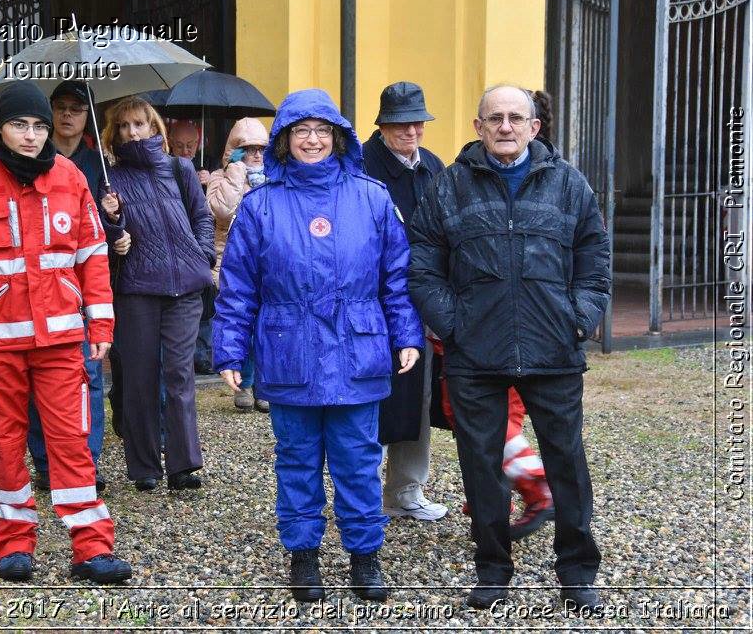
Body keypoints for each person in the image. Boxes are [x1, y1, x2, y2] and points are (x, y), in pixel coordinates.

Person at [213, 89, 424, 603]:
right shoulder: (260, 205)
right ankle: (303, 557)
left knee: (357, 459)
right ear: (285, 139)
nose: (312, 139)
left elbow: (395, 278)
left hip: (358, 346)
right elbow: (239, 284)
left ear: (338, 137)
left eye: (322, 130)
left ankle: (365, 557)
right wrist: (229, 349)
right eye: (301, 130)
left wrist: (406, 334)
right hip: (290, 350)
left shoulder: (372, 197)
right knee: (297, 460)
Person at [408, 85, 610, 610]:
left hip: (553, 350)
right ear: (478, 126)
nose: (505, 126)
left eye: (515, 118)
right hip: (476, 352)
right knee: (480, 465)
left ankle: (577, 572)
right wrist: (452, 324)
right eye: (494, 117)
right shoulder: (450, 187)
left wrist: (580, 318)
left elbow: (594, 257)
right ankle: (493, 570)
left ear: (533, 127)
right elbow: (423, 263)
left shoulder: (568, 185)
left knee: (566, 460)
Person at [0, 80, 132, 584]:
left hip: (61, 340)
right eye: (21, 124)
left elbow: (92, 255)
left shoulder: (70, 178)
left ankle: (91, 548)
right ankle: (13, 545)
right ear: (1, 126)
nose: (31, 135)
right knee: (2, 444)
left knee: (71, 443)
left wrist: (101, 322)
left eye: (40, 126)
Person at [99, 96, 214, 492]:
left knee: (179, 374)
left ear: (154, 128)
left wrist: (202, 254)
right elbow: (105, 238)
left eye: (140, 124)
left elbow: (201, 216)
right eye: (125, 126)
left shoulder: (179, 169)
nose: (133, 132)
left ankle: (183, 465)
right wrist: (113, 222)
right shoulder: (110, 180)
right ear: (114, 134)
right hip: (136, 289)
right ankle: (144, 466)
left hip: (184, 287)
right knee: (138, 377)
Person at [25, 81, 130, 493]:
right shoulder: (32, 159)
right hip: (42, 288)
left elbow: (104, 233)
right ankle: (46, 461)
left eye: (77, 108)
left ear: (87, 117)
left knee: (89, 377)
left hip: (85, 287)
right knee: (40, 381)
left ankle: (87, 461)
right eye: (61, 108)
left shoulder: (99, 165)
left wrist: (116, 220)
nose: (68, 115)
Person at [361, 81, 447, 522]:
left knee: (418, 398)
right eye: (400, 122)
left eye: (417, 121)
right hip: (371, 299)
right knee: (370, 394)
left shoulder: (432, 166)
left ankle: (405, 490)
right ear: (383, 124)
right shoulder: (359, 163)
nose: (410, 130)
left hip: (421, 296)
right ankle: (360, 494)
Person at [205, 117, 270, 412]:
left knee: (265, 326)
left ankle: (263, 385)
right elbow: (220, 210)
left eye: (261, 149)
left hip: (267, 262)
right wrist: (236, 172)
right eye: (249, 149)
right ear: (236, 150)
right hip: (232, 262)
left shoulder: (274, 177)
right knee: (241, 323)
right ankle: (243, 384)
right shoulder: (221, 176)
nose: (256, 155)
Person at [168, 119, 214, 374]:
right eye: (179, 145)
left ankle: (204, 355)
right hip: (177, 248)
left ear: (199, 144)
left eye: (190, 145)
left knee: (207, 307)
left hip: (201, 248)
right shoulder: (168, 168)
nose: (185, 151)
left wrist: (208, 183)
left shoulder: (210, 167)